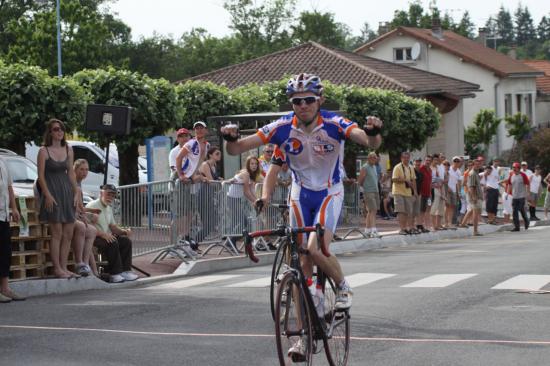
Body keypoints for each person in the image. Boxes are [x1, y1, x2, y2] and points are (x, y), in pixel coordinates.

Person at [222, 74, 382, 326]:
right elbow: (237, 149)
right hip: (300, 192)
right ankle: (303, 332)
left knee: (315, 248)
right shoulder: (282, 128)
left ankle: (343, 287)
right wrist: (230, 138)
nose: (303, 105)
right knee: (300, 262)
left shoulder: (334, 122)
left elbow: (367, 140)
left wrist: (373, 133)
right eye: (297, 101)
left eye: (309, 100)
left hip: (330, 191)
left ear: (320, 100)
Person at [37, 119, 79, 279]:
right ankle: (57, 268)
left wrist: (76, 192)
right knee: (57, 233)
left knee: (68, 233)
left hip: (67, 193)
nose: (59, 131)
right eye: (56, 129)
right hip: (52, 194)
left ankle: (64, 267)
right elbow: (40, 176)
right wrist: (47, 195)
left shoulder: (68, 149)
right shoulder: (43, 151)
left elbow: (71, 173)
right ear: (50, 132)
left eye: (62, 129)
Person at [86, 184, 138, 283]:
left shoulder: (108, 208)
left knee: (125, 241)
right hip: (93, 237)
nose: (111, 197)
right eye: (108, 194)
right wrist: (102, 234)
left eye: (113, 195)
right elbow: (87, 226)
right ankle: (114, 274)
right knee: (112, 242)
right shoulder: (93, 206)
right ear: (101, 193)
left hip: (105, 236)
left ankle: (125, 271)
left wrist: (124, 231)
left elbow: (113, 227)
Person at [175, 121, 209, 246]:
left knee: (190, 211)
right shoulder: (191, 143)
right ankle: (181, 239)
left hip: (190, 180)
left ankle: (186, 236)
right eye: (196, 128)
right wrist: (181, 175)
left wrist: (195, 176)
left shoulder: (206, 145)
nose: (199, 130)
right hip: (182, 179)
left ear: (206, 130)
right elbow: (178, 158)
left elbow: (198, 163)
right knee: (183, 211)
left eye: (201, 128)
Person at [224, 156, 262, 246]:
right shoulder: (246, 174)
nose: (254, 166)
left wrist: (257, 201)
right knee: (242, 221)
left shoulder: (251, 175)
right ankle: (230, 242)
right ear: (248, 165)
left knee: (241, 221)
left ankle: (230, 242)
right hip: (231, 199)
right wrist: (256, 201)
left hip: (236, 199)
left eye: (256, 164)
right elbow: (246, 191)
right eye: (252, 164)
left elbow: (252, 191)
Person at [0, 157, 23, 302]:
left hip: (3, 214)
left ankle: (5, 288)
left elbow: (9, 187)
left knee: (5, 251)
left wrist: (13, 207)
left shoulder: (2, 160)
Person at [72, 159, 99, 277]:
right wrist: (85, 216)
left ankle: (91, 268)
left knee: (92, 229)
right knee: (89, 229)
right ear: (75, 169)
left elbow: (80, 207)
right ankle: (84, 264)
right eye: (81, 169)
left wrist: (90, 212)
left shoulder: (79, 183)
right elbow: (75, 207)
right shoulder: (73, 182)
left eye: (87, 170)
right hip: (70, 216)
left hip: (76, 215)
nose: (85, 172)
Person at [392, 152, 416, 235]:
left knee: (408, 212)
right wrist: (405, 180)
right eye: (404, 158)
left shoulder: (411, 167)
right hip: (398, 192)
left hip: (408, 192)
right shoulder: (397, 167)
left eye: (408, 158)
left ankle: (406, 228)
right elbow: (394, 179)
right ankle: (402, 229)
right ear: (401, 158)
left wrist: (415, 192)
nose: (406, 159)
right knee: (401, 211)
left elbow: (413, 180)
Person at [358, 152, 381, 238]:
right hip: (368, 191)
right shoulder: (365, 167)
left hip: (375, 191)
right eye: (373, 158)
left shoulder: (374, 167)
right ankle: (373, 230)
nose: (375, 159)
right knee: (373, 210)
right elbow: (360, 179)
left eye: (375, 158)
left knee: (370, 211)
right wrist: (362, 188)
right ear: (369, 158)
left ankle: (367, 230)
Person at [507, 162, 530, 232]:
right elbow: (510, 184)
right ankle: (517, 227)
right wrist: (508, 194)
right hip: (514, 196)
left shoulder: (523, 175)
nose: (514, 169)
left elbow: (527, 184)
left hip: (522, 196)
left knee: (519, 210)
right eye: (513, 167)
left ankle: (526, 220)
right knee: (516, 211)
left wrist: (527, 193)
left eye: (515, 167)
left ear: (519, 168)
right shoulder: (511, 175)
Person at [466, 158, 484, 236]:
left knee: (475, 212)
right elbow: (471, 187)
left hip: (478, 196)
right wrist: (473, 197)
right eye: (476, 164)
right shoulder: (472, 173)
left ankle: (474, 229)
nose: (478, 166)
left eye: (479, 164)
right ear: (473, 165)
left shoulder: (476, 173)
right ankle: (475, 231)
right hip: (475, 196)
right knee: (475, 213)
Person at [417, 155, 432, 232]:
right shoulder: (421, 169)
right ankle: (419, 224)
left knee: (425, 209)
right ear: (424, 161)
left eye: (429, 160)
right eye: (427, 160)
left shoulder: (430, 170)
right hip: (421, 193)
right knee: (421, 209)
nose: (428, 162)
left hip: (428, 193)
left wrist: (430, 193)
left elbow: (429, 182)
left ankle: (422, 224)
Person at [484, 158, 501, 225]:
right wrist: (486, 185)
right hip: (490, 188)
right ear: (493, 161)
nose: (496, 162)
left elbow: (498, 180)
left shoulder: (499, 169)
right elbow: (484, 175)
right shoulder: (490, 168)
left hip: (496, 189)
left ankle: (493, 219)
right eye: (495, 161)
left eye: (497, 161)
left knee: (494, 205)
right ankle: (490, 219)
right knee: (489, 205)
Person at [446, 157, 462, 227]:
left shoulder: (459, 171)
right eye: (455, 161)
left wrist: (459, 192)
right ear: (452, 162)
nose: (456, 162)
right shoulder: (449, 169)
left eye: (458, 161)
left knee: (453, 206)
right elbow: (445, 178)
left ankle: (450, 222)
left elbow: (458, 183)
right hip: (448, 190)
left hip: (455, 191)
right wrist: (447, 188)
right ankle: (445, 222)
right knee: (447, 206)